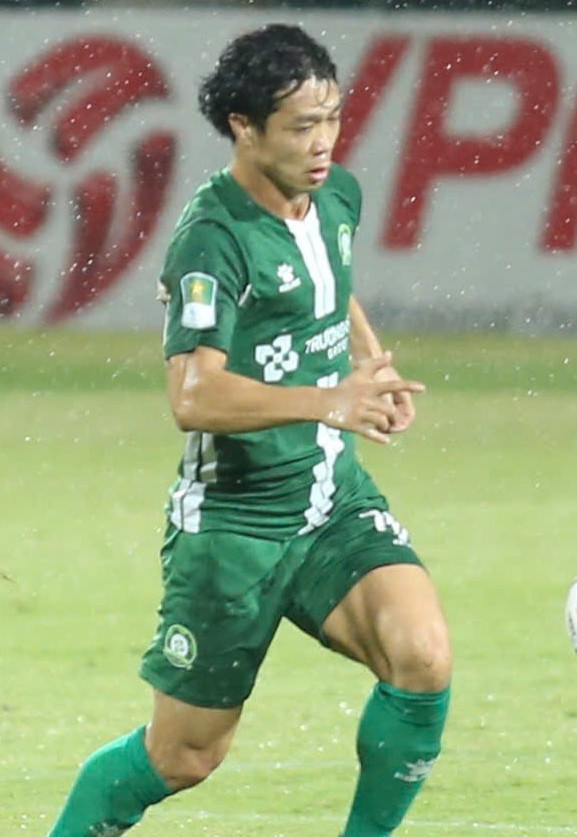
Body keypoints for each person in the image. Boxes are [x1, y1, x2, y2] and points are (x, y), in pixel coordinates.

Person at [48, 24, 451, 836]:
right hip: (235, 526)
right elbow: (193, 395)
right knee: (183, 756)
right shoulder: (213, 239)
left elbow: (328, 282)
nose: (323, 142)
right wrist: (328, 400)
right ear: (243, 126)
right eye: (301, 126)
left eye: (331, 118)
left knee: (423, 655)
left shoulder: (337, 197)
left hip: (332, 498)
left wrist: (370, 364)